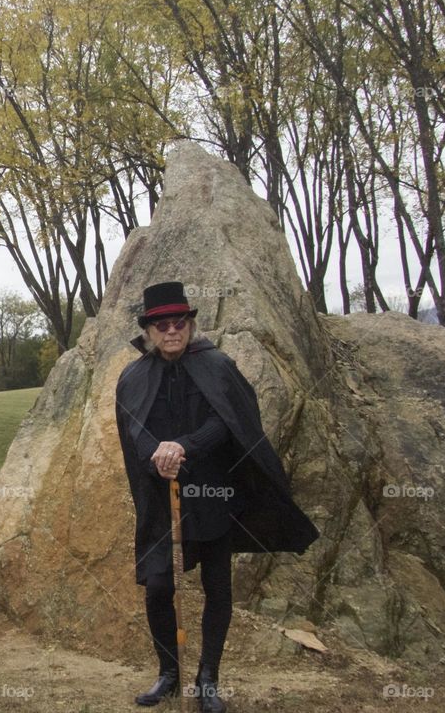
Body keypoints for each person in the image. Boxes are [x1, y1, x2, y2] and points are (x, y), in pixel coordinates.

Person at [114, 281, 319, 712]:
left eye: (179, 323)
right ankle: (169, 673)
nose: (172, 331)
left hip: (212, 494)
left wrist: (185, 445)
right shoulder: (134, 376)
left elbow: (230, 423)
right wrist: (157, 455)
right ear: (149, 330)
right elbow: (134, 430)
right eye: (162, 325)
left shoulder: (218, 366)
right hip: (161, 496)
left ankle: (208, 678)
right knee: (157, 587)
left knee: (217, 587)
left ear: (190, 324)